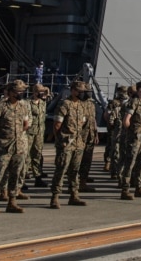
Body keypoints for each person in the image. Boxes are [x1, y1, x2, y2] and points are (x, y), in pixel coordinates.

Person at [0, 80, 31, 215]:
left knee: (15, 174)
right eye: (18, 91)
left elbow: (26, 124)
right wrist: (1, 137)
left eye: (22, 91)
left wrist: (19, 136)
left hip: (19, 147)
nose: (21, 94)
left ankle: (12, 202)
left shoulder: (23, 107)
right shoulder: (0, 107)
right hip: (4, 147)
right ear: (10, 92)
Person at [50, 79, 91, 208]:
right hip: (66, 143)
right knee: (61, 170)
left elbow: (84, 123)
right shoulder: (65, 104)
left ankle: (74, 195)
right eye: (80, 91)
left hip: (78, 143)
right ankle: (55, 197)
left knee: (75, 170)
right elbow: (57, 125)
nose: (82, 94)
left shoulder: (82, 105)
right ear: (73, 91)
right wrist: (61, 140)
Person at [120, 80, 141, 199]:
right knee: (130, 163)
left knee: (140, 163)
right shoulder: (133, 102)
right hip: (134, 138)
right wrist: (133, 132)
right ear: (139, 89)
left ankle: (139, 188)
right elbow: (126, 121)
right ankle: (125, 190)